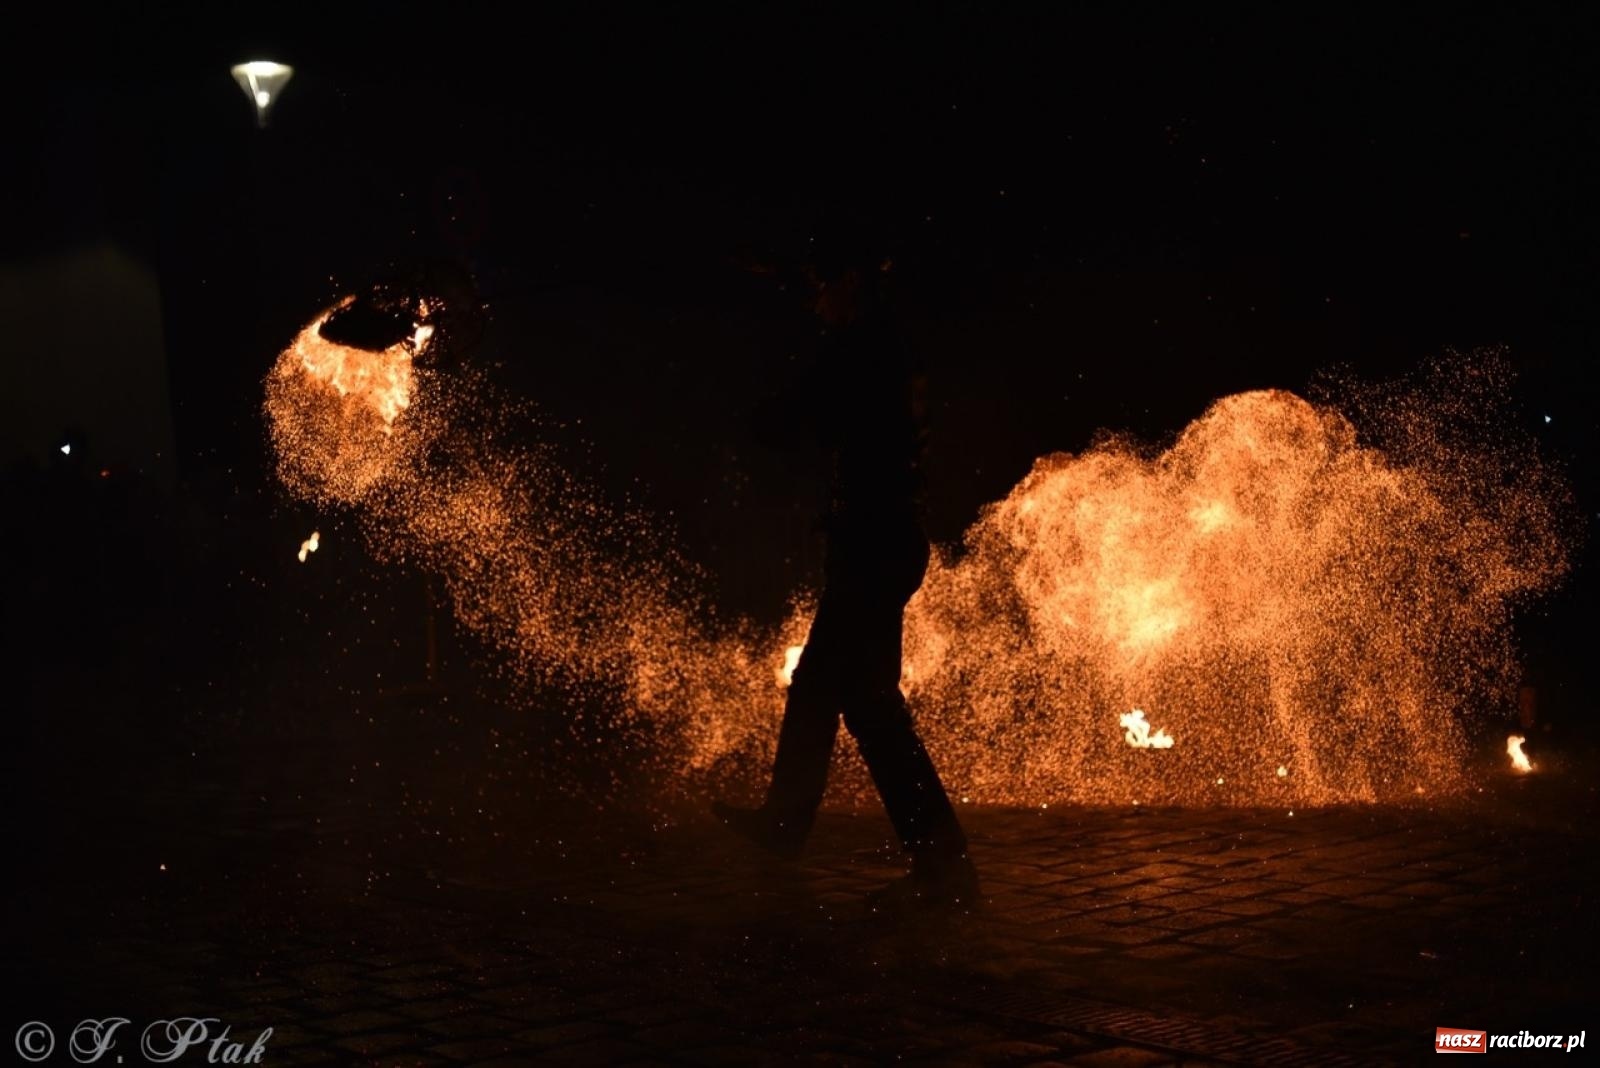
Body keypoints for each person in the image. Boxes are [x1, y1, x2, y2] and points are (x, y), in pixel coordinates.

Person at [714, 240, 978, 910]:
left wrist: (760, 414)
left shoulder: (864, 350)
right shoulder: (886, 344)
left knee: (829, 693)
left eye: (823, 289)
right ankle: (940, 861)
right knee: (866, 704)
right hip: (885, 540)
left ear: (851, 285)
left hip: (872, 545)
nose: (816, 304)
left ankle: (791, 826)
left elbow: (795, 413)